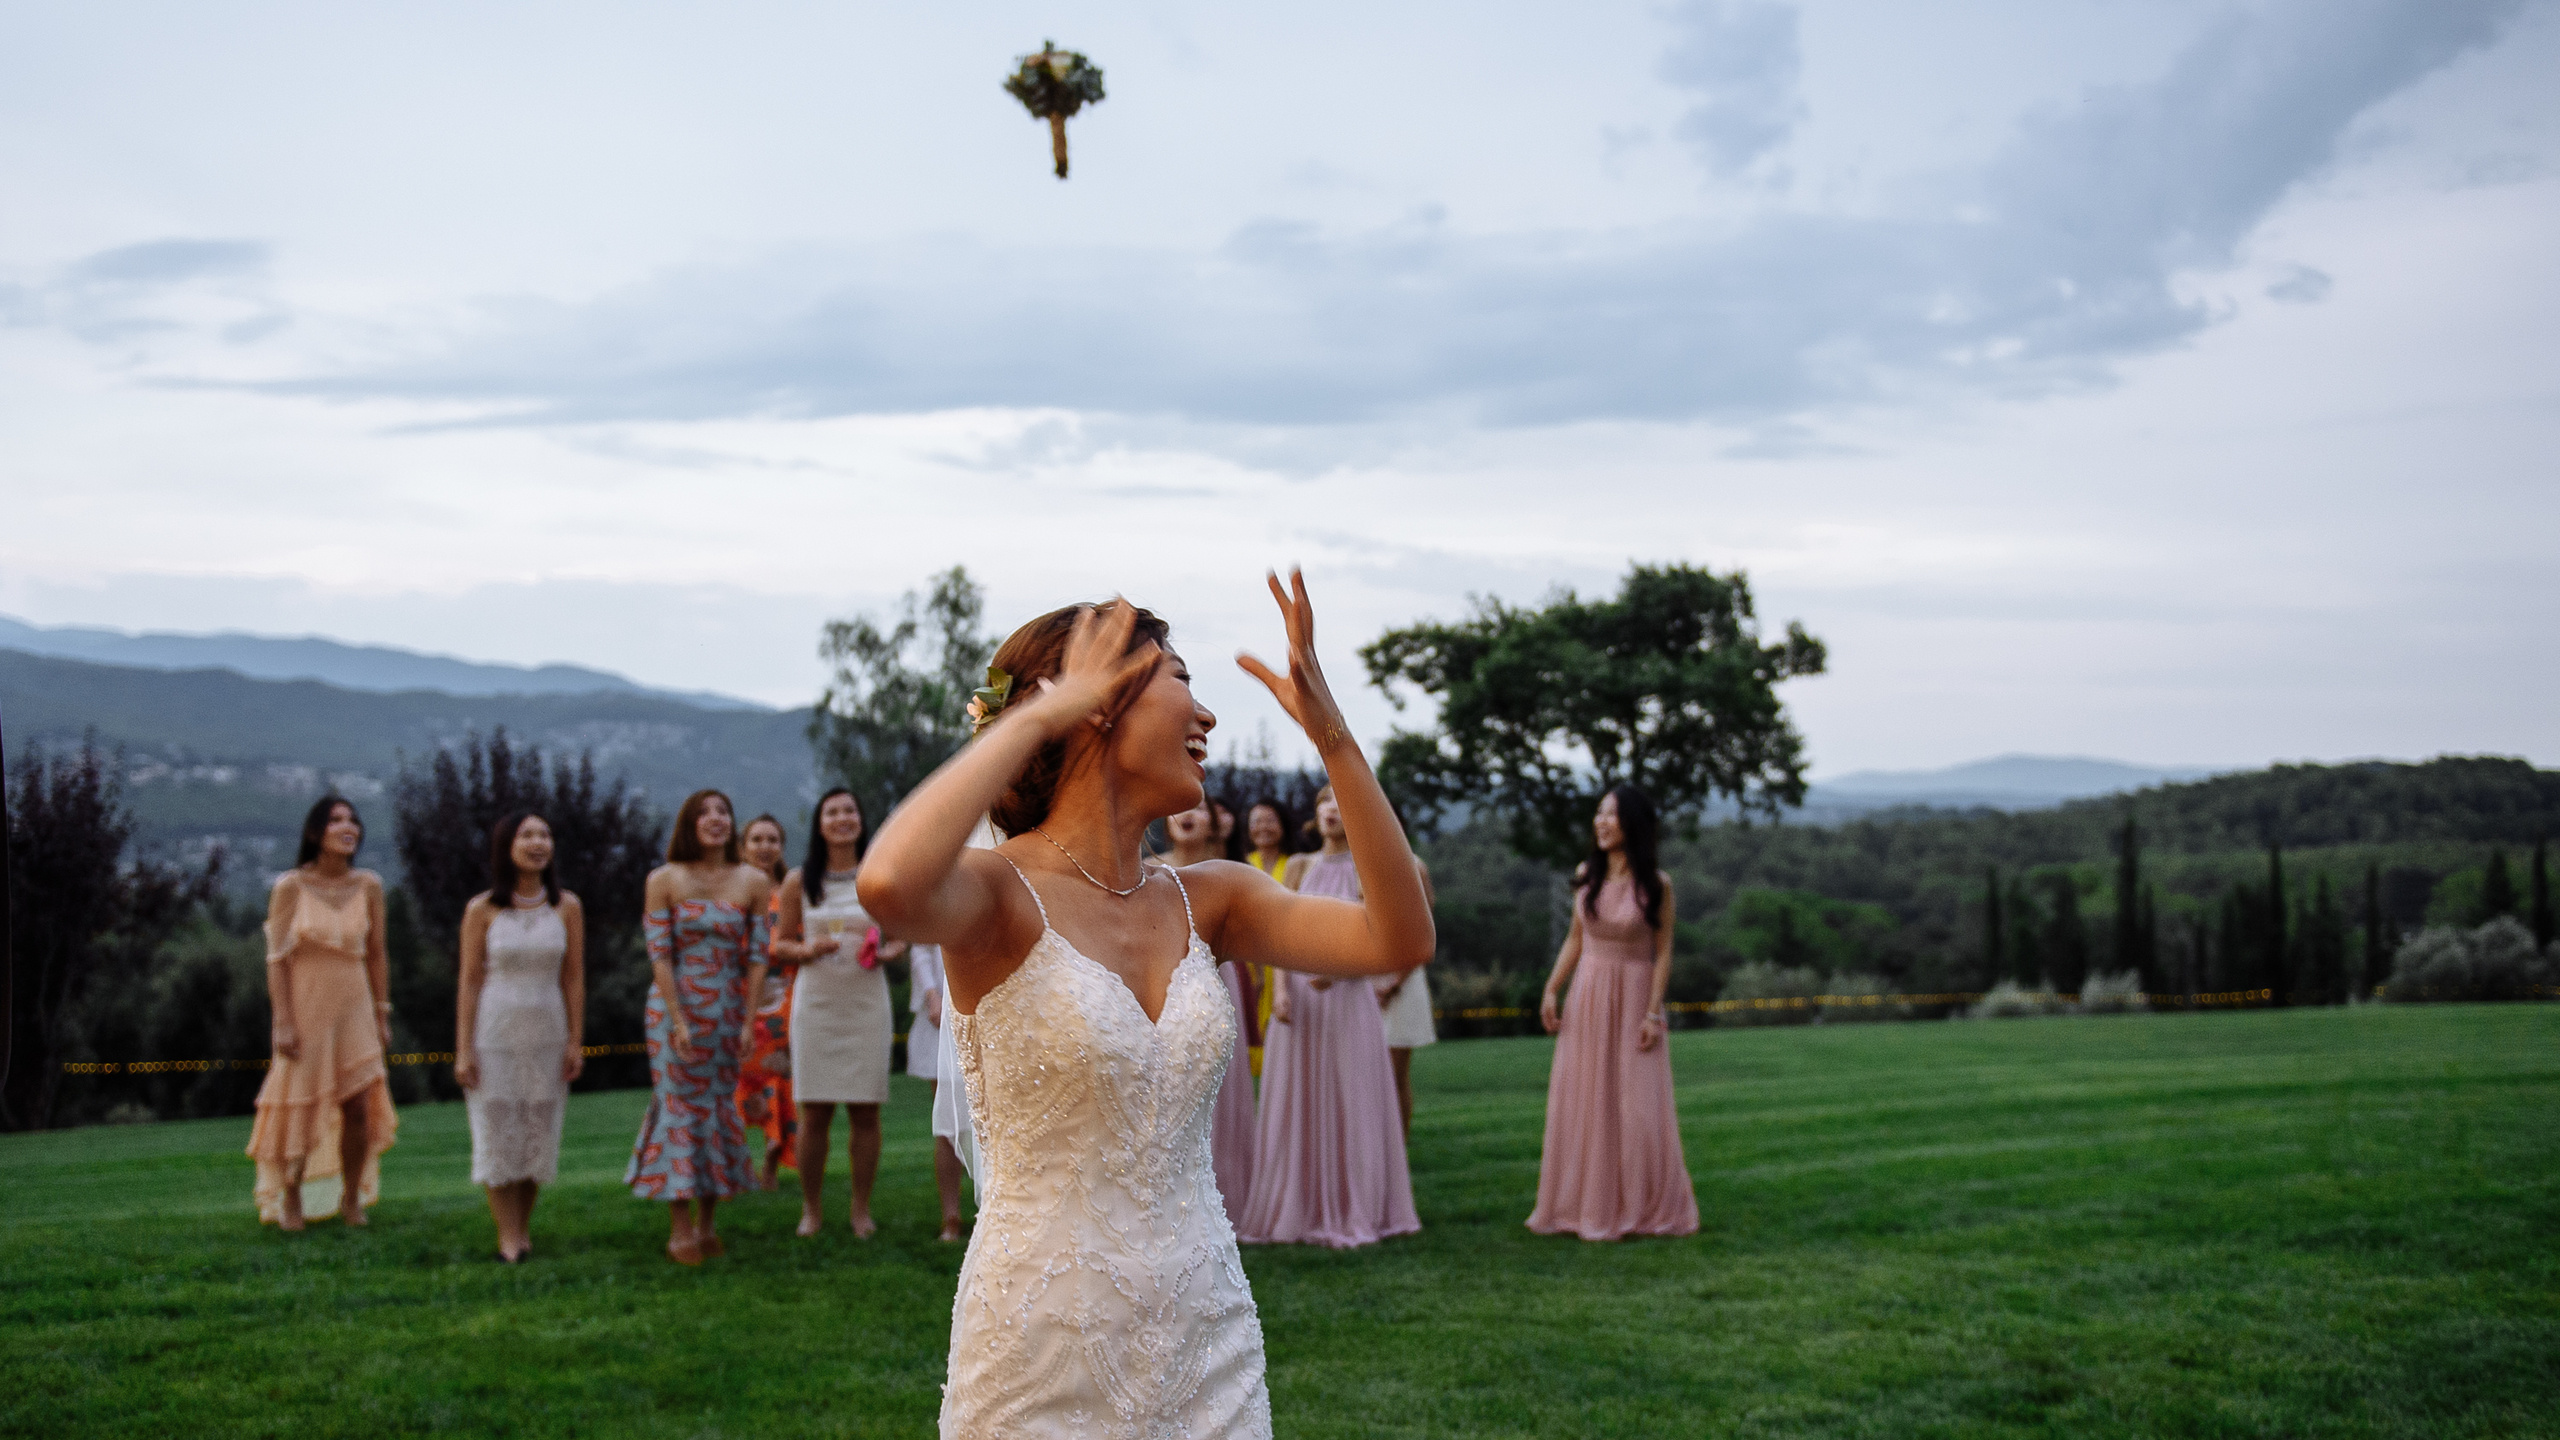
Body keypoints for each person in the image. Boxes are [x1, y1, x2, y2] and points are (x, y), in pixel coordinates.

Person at [856, 573, 1435, 1439]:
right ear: (1101, 704)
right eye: (1181, 680)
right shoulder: (998, 894)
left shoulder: (1214, 899)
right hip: (1040, 1353)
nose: (1205, 715)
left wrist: (1336, 739)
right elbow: (890, 882)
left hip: (1210, 1339)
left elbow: (1397, 939)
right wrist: (1037, 718)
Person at [1238, 783, 1424, 1249]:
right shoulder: (1299, 866)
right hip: (1297, 1002)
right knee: (1294, 1103)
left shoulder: (1370, 870)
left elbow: (1382, 937)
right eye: (1324, 802)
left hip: (1347, 999)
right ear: (1314, 815)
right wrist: (1281, 989)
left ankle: (1355, 1207)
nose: (1331, 810)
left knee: (1352, 1100)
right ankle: (1295, 1209)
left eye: (1342, 802)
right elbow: (1275, 933)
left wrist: (1340, 972)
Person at [1528, 786, 1700, 1241]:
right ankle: (1583, 1202)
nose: (1602, 822)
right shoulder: (1588, 874)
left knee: (1638, 1105)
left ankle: (1642, 1204)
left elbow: (1663, 952)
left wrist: (1652, 1014)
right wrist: (1551, 989)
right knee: (1586, 1097)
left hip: (1635, 995)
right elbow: (1574, 939)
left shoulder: (1657, 885)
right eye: (1599, 813)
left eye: (1613, 815)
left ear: (1634, 825)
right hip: (1588, 993)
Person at [626, 788, 773, 1264]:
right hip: (674, 1009)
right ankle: (679, 1227)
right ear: (688, 824)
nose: (715, 819)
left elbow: (756, 959)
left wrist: (749, 1021)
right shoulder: (663, 879)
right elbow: (659, 954)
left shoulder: (753, 881)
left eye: (723, 812)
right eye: (704, 812)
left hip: (729, 1009)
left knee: (716, 1111)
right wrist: (677, 1017)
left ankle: (709, 1224)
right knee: (680, 1110)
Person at [249, 796, 399, 1229]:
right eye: (336, 821)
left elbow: (377, 954)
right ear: (316, 833)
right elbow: (277, 959)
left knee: (358, 1108)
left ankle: (352, 1199)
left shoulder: (369, 885)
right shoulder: (290, 887)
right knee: (301, 1103)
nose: (347, 827)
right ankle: (291, 1197)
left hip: (355, 1005)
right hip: (307, 1004)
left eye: (352, 820)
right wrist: (283, 1021)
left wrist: (382, 1013)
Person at [454, 811, 585, 1262]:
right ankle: (507, 1235)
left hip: (549, 1030)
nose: (537, 842)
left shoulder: (566, 906)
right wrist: (463, 1049)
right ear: (507, 846)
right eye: (527, 835)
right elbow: (469, 981)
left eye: (545, 834)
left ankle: (523, 1227)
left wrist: (576, 1040)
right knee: (496, 1130)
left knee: (537, 1129)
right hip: (494, 1032)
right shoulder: (482, 910)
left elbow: (574, 978)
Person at [773, 787, 899, 1238]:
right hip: (818, 1004)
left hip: (866, 1001)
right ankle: (811, 1209)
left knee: (866, 1112)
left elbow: (903, 933)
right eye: (833, 812)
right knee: (815, 1114)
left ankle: (860, 1209)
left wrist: (890, 951)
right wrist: (809, 948)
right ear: (820, 823)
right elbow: (780, 944)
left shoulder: (879, 872)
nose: (842, 818)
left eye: (850, 810)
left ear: (861, 820)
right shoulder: (798, 880)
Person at [1169, 798, 1258, 1226]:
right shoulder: (1143, 871)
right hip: (1160, 992)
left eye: (1202, 810)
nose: (1188, 815)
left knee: (1223, 1094)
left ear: (1216, 824)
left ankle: (1230, 1201)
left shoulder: (1226, 875)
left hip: (1218, 987)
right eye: (1183, 809)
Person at [735, 814, 798, 1189]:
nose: (764, 846)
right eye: (756, 839)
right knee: (740, 1082)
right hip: (740, 1003)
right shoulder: (731, 895)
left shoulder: (791, 893)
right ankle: (738, 1162)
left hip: (783, 1003)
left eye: (772, 839)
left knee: (780, 1079)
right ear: (743, 847)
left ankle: (775, 1153)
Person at [1373, 802, 1438, 1138]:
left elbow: (1423, 933)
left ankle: (1399, 1143)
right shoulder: (1358, 863)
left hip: (1404, 976)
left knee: (1396, 1072)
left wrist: (1394, 983)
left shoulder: (1414, 866)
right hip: (1363, 976)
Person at [904, 939, 969, 1242]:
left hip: (985, 1005)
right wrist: (933, 995)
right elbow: (921, 948)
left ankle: (999, 1213)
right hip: (941, 1012)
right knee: (947, 1123)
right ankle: (951, 1216)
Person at [1240, 798, 1294, 1076]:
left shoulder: (1295, 864)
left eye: (1270, 820)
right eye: (1256, 821)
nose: (1263, 827)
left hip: (1286, 960)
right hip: (1249, 958)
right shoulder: (1242, 865)